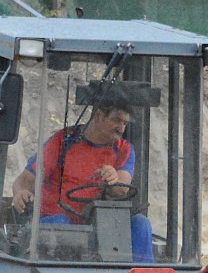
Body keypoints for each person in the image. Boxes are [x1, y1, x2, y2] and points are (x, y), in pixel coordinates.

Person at [11, 99, 154, 261]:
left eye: (125, 123)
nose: (121, 129)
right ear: (99, 116)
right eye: (116, 120)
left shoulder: (124, 149)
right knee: (61, 225)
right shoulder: (63, 141)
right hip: (56, 223)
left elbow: (122, 188)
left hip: (99, 226)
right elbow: (25, 179)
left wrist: (113, 178)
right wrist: (21, 192)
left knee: (141, 224)